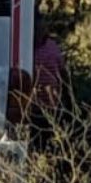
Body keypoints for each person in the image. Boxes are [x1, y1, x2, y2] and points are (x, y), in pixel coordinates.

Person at [30, 20, 67, 150]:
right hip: (32, 103)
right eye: (36, 29)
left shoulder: (52, 46)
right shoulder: (27, 47)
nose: (39, 32)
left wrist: (65, 95)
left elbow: (62, 71)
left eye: (42, 29)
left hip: (52, 101)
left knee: (50, 134)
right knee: (35, 134)